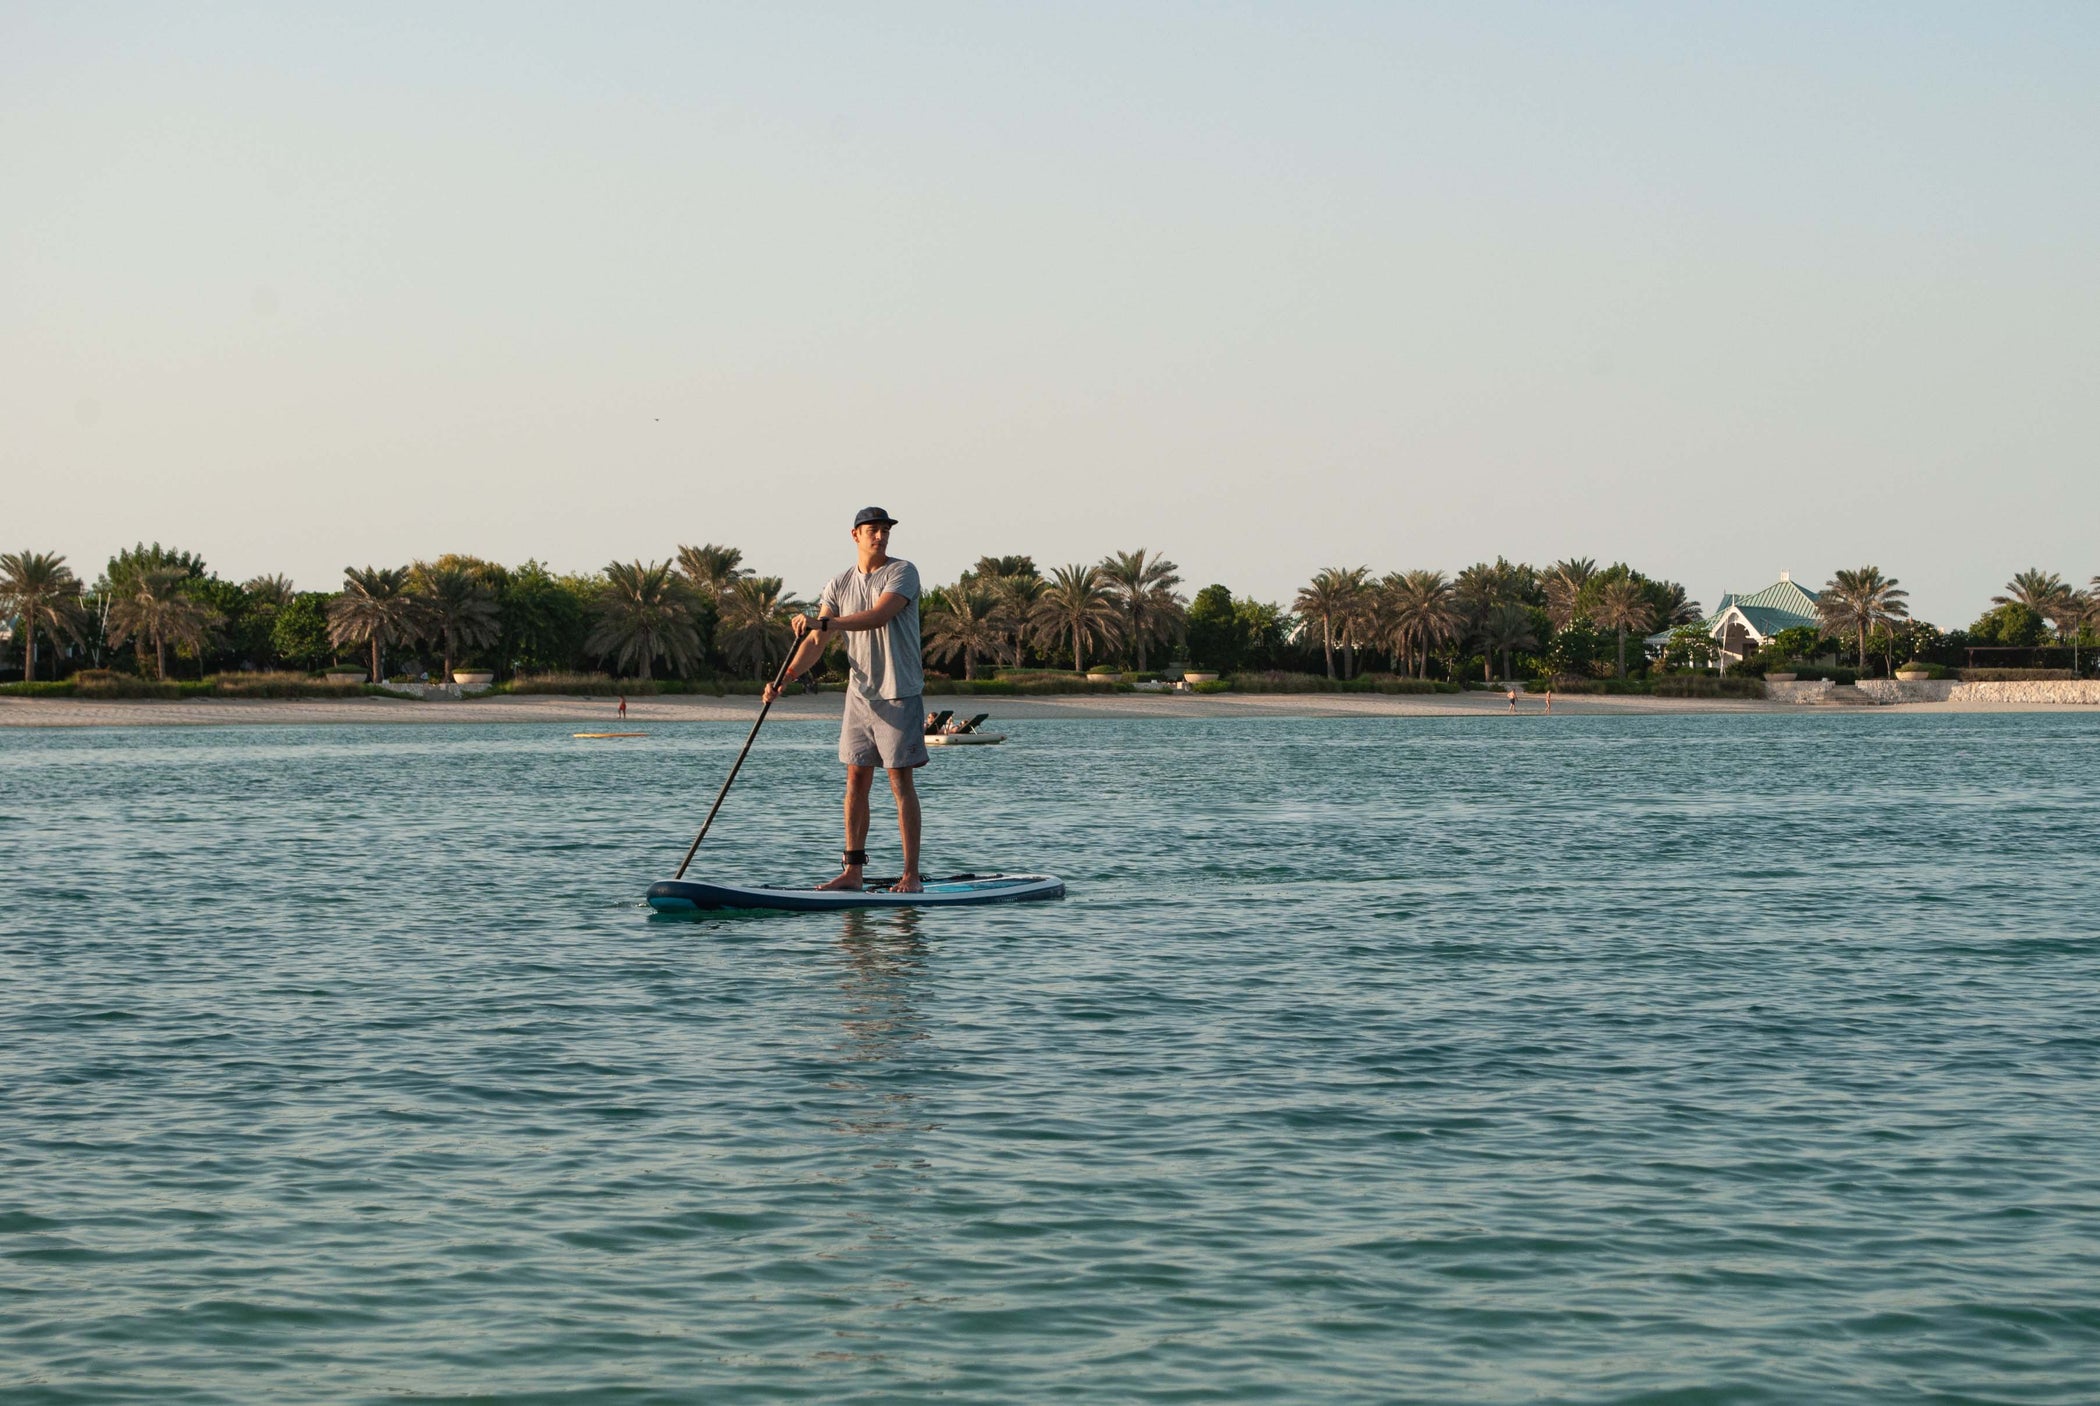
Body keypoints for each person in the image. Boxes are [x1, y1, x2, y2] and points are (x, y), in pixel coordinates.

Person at [766, 506, 927, 893]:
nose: (880, 536)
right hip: (860, 696)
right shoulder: (838, 584)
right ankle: (852, 872)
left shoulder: (902, 572)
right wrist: (785, 678)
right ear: (855, 535)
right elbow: (817, 641)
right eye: (872, 530)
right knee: (855, 779)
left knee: (899, 781)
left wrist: (824, 622)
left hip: (899, 690)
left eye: (885, 530)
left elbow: (877, 616)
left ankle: (911, 875)